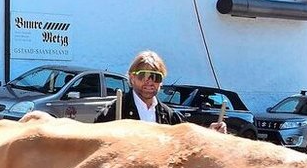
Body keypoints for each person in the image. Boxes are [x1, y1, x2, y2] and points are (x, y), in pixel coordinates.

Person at [94, 50, 226, 133]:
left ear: (161, 82)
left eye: (156, 77)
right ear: (132, 78)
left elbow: (189, 144)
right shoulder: (112, 112)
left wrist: (211, 134)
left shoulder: (170, 116)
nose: (149, 81)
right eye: (143, 75)